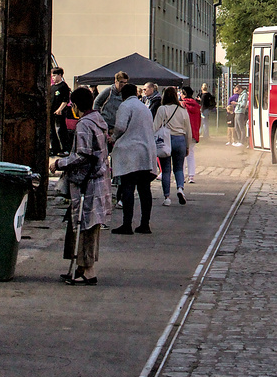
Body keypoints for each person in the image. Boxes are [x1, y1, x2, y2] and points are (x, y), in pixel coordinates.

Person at [55, 88, 112, 284]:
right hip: (98, 179)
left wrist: (58, 163)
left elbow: (82, 154)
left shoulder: (84, 125)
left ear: (76, 105)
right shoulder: (98, 121)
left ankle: (89, 270)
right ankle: (81, 266)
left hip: (87, 182)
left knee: (85, 224)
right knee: (87, 224)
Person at [110, 83, 157, 234]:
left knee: (128, 188)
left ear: (123, 95)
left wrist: (113, 137)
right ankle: (145, 223)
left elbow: (121, 127)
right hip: (146, 151)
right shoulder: (144, 107)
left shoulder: (125, 106)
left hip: (130, 152)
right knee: (144, 189)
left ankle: (127, 224)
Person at [153, 87, 191, 206]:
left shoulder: (162, 109)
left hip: (166, 140)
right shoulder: (182, 110)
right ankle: (180, 188)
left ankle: (167, 197)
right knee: (179, 168)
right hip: (180, 139)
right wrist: (187, 145)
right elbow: (188, 130)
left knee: (166, 170)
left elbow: (155, 127)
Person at [181, 86, 202, 183]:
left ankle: (182, 175)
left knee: (181, 155)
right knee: (191, 154)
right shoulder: (196, 105)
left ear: (184, 94)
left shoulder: (182, 105)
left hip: (183, 132)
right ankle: (191, 176)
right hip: (194, 132)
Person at [49, 68, 72, 155]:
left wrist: (60, 109)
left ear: (60, 75)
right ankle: (55, 149)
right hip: (51, 112)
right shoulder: (52, 87)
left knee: (61, 130)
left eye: (54, 75)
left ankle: (66, 149)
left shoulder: (64, 86)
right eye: (52, 76)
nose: (53, 77)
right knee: (52, 131)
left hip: (60, 112)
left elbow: (65, 100)